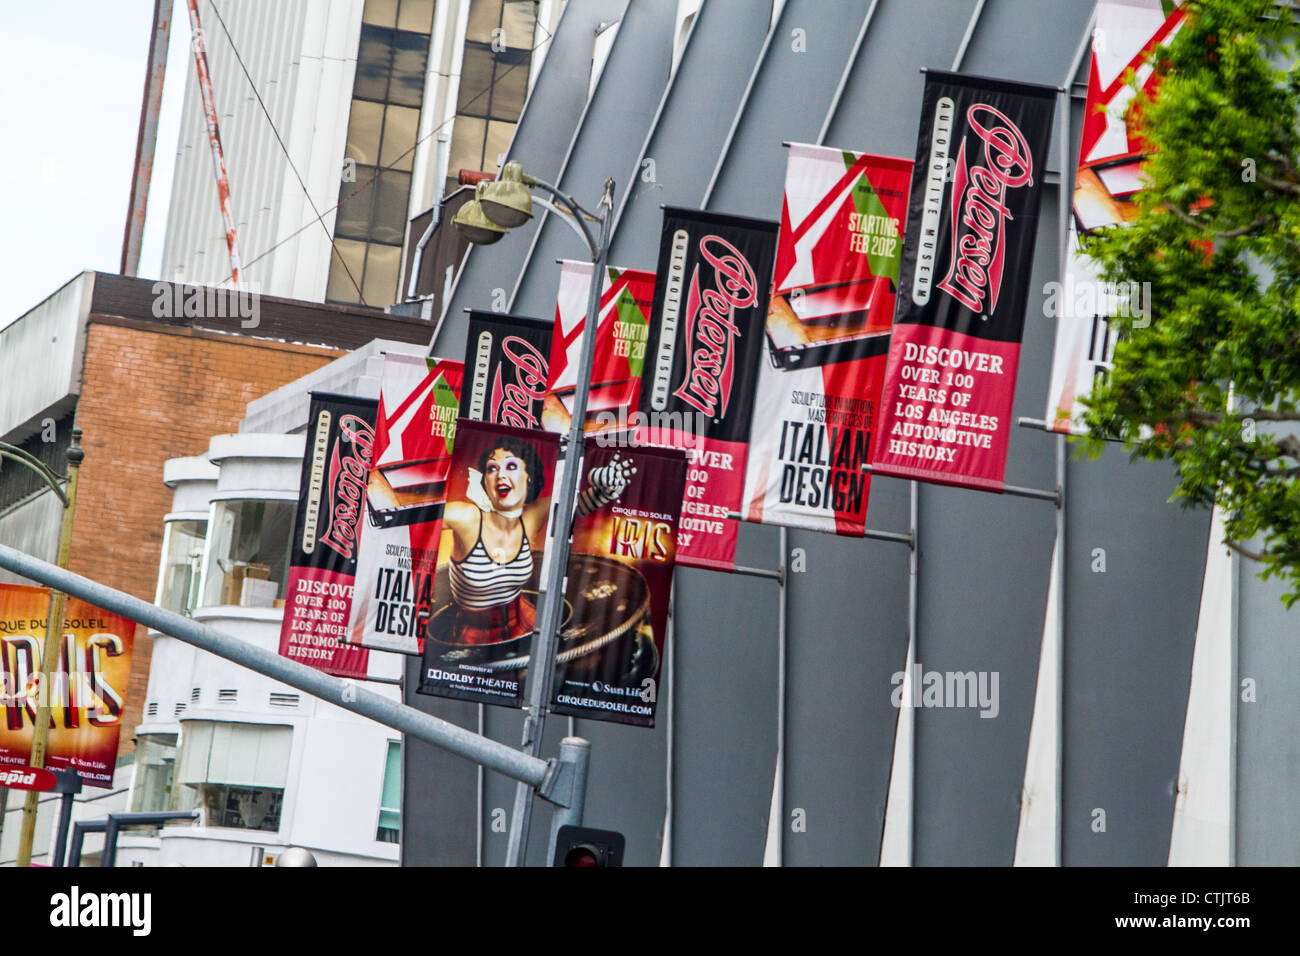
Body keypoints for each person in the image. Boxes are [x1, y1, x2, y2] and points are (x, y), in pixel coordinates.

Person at [441, 436, 550, 645]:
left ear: (529, 478)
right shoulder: (468, 519)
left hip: (524, 620)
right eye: (492, 468)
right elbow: (414, 513)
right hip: (475, 635)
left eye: (511, 466)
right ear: (484, 482)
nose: (500, 474)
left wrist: (603, 483)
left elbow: (581, 501)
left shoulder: (531, 517)